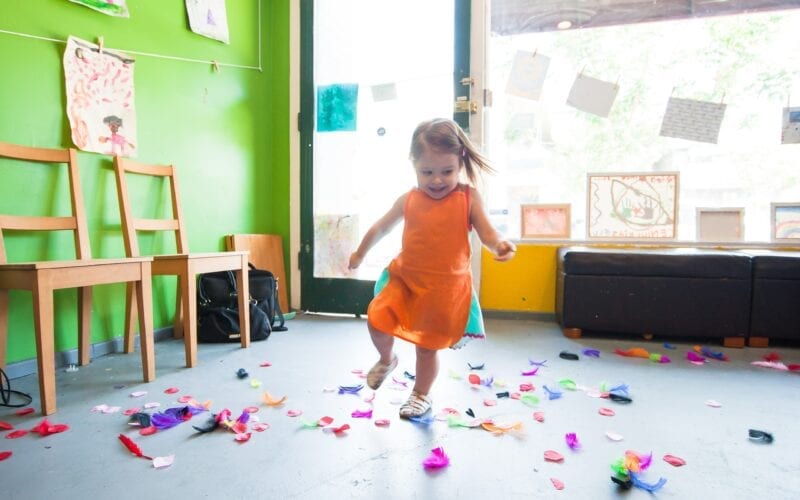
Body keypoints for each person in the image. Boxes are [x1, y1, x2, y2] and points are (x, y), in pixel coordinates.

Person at [348, 118, 516, 418]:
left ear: (460, 163)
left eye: (446, 171)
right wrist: (360, 253)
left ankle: (420, 395)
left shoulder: (467, 198)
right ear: (413, 165)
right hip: (405, 279)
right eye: (427, 172)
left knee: (427, 348)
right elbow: (381, 227)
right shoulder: (409, 199)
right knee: (376, 319)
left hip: (444, 289)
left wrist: (499, 246)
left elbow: (488, 234)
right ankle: (387, 360)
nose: (437, 180)